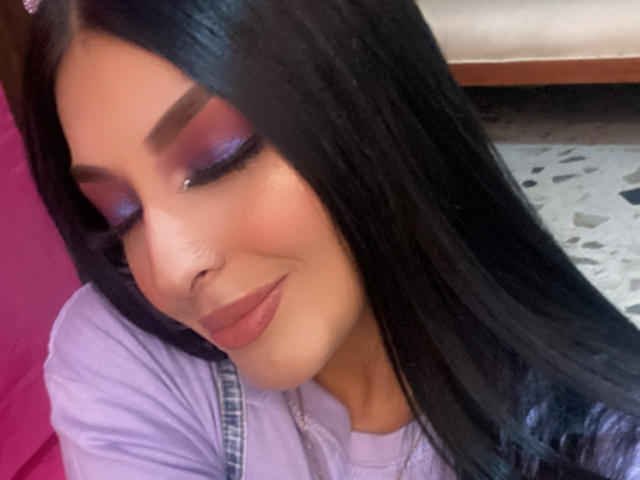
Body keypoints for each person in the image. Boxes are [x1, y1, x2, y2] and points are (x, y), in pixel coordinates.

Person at [20, 0, 640, 479]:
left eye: (218, 156)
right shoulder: (125, 356)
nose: (170, 269)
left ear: (365, 93)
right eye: (121, 213)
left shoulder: (604, 443)